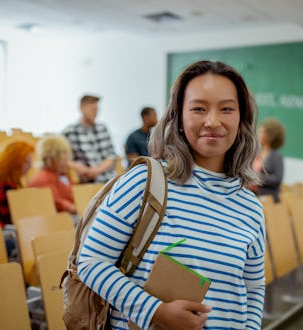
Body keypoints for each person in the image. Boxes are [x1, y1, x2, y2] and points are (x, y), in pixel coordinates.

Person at [77, 60, 266, 329]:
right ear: (178, 117)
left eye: (226, 109)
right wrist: (155, 312)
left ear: (241, 117)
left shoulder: (251, 207)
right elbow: (91, 262)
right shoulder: (144, 182)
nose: (212, 121)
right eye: (199, 108)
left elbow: (254, 286)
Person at [0, 139, 35, 229]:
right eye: (26, 162)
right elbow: (10, 219)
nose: (30, 166)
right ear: (14, 163)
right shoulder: (2, 186)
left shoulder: (9, 184)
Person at [63, 94, 117, 183]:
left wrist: (97, 170)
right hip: (86, 183)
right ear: (82, 108)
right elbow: (62, 159)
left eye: (97, 110)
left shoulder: (103, 128)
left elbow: (111, 156)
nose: (95, 113)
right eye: (93, 110)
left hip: (109, 180)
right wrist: (78, 167)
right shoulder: (69, 131)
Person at [28, 134, 76, 214]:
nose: (66, 163)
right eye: (63, 160)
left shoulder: (62, 175)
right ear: (51, 159)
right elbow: (57, 202)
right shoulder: (43, 178)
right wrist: (76, 208)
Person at [249, 118, 285, 202]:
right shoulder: (257, 152)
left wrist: (257, 177)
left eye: (262, 132)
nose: (258, 134)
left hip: (267, 197)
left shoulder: (276, 156)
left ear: (270, 135)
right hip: (251, 194)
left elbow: (277, 179)